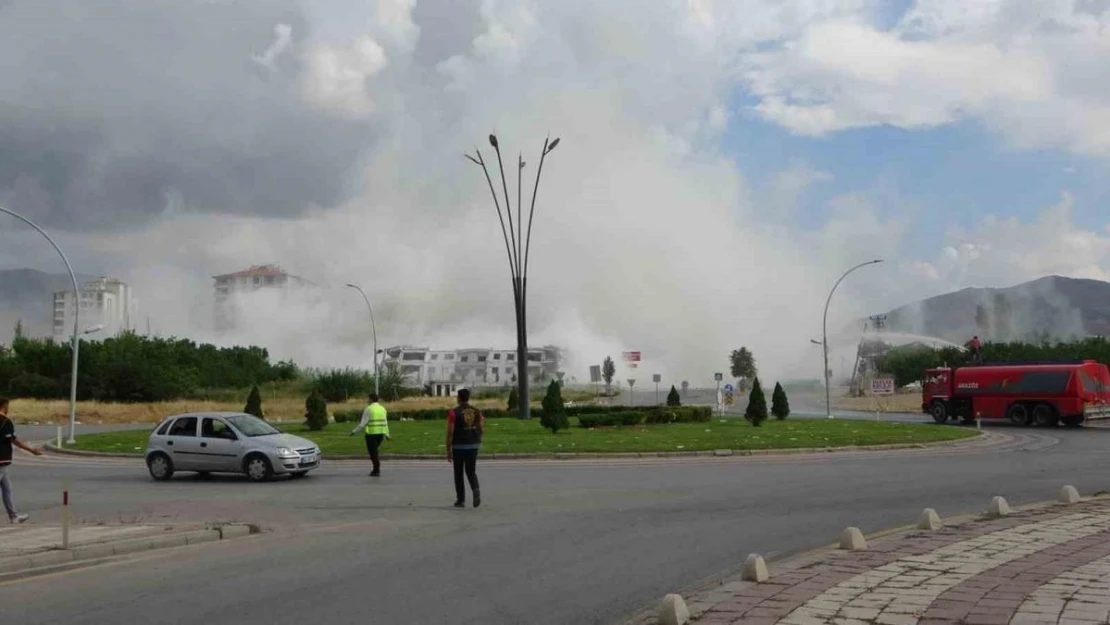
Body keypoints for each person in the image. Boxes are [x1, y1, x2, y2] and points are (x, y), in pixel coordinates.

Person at [1, 397, 43, 524]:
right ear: (4, 406)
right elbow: (13, 440)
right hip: (2, 458)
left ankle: (14, 516)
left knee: (7, 488)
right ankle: (13, 516)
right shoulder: (5, 421)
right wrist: (31, 450)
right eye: (8, 406)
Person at [446, 388, 484, 508]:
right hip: (473, 445)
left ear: (459, 398)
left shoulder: (454, 412)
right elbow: (482, 428)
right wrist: (476, 438)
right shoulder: (477, 411)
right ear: (468, 397)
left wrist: (448, 449)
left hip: (458, 446)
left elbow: (450, 432)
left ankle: (461, 500)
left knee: (458, 473)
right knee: (471, 471)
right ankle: (475, 488)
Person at [349, 393, 390, 476]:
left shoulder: (369, 409)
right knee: (374, 452)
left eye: (368, 399)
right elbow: (385, 422)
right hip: (380, 434)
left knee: (373, 453)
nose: (367, 400)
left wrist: (354, 431)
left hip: (371, 434)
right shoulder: (382, 409)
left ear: (371, 399)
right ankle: (376, 468)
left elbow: (363, 423)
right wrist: (387, 434)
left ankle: (376, 469)